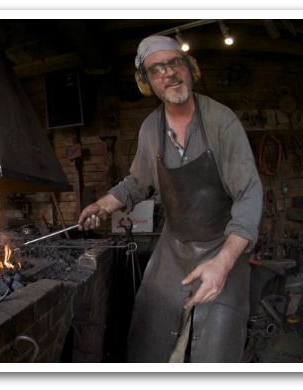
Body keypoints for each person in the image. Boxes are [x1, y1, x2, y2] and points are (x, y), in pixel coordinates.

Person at [78, 35, 263, 363]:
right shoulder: (151, 129)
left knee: (216, 347)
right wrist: (102, 205)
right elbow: (137, 181)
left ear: (190, 68)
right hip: (174, 248)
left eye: (175, 63)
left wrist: (222, 264)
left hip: (223, 247)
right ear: (146, 81)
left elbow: (249, 193)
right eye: (157, 69)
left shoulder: (221, 121)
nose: (169, 74)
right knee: (151, 336)